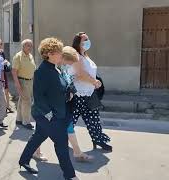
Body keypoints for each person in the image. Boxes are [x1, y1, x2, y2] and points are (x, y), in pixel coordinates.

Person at [18, 38, 78, 180]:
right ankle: (70, 175)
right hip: (47, 115)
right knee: (62, 143)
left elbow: (62, 86)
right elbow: (39, 97)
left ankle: (23, 160)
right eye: (59, 52)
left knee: (39, 136)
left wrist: (70, 90)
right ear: (49, 54)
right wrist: (50, 116)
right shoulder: (42, 71)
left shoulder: (56, 69)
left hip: (58, 112)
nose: (61, 55)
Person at [71, 32, 112, 151]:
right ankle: (60, 140)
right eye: (84, 40)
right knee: (70, 121)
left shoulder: (85, 56)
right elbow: (80, 74)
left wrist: (95, 82)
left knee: (94, 119)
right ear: (78, 43)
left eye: (88, 39)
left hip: (89, 94)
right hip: (78, 95)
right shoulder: (76, 56)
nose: (87, 42)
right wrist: (94, 81)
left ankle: (97, 139)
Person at [12, 39, 36, 130]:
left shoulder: (30, 56)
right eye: (28, 45)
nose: (30, 47)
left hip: (30, 81)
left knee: (22, 100)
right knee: (27, 101)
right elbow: (14, 71)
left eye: (31, 45)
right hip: (22, 81)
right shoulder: (18, 56)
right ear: (23, 46)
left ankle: (19, 119)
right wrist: (17, 84)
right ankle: (26, 122)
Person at [0, 39, 14, 114]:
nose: (0, 45)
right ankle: (1, 107)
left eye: (1, 44)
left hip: (3, 73)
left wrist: (6, 62)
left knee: (6, 90)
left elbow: (3, 60)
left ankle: (7, 106)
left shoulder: (2, 52)